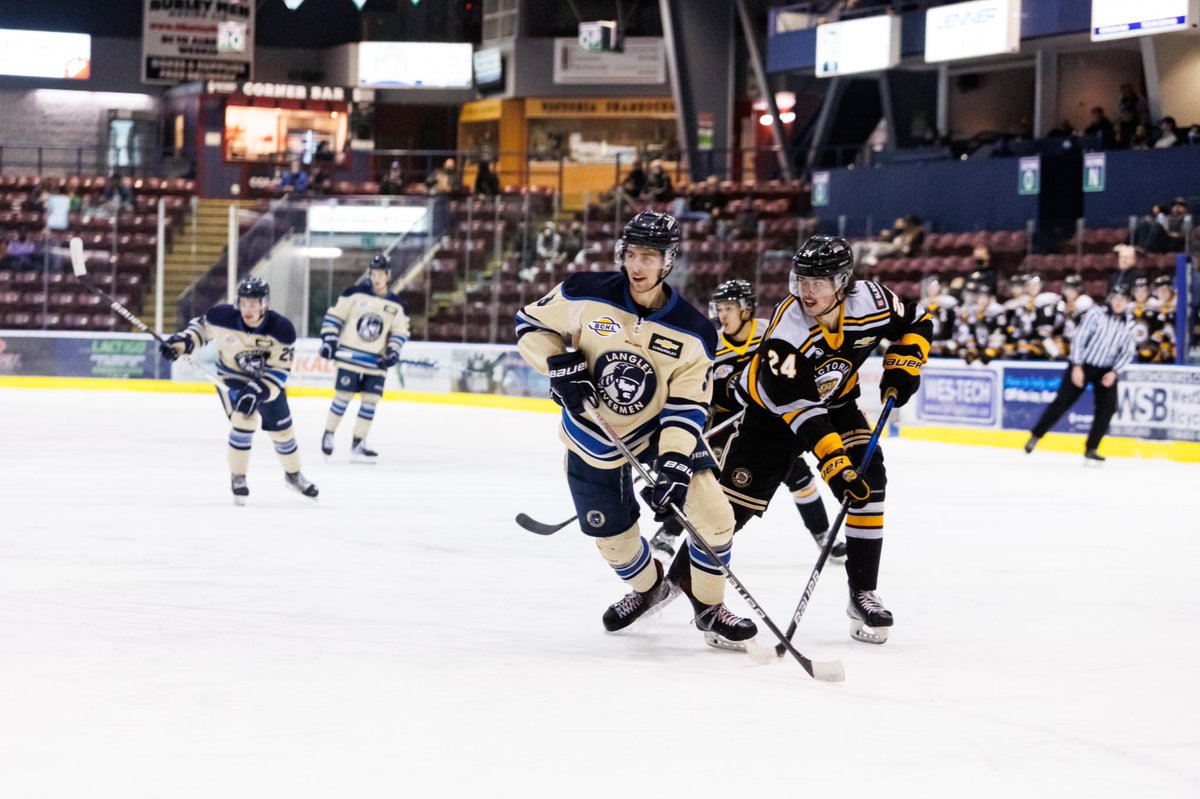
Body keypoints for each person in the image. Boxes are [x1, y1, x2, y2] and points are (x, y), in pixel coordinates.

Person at [513, 210, 757, 647]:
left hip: (656, 432)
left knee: (716, 518)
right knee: (615, 545)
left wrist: (676, 463)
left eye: (651, 256)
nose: (638, 266)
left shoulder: (694, 330)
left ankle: (709, 607)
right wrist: (557, 365)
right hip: (591, 434)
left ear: (669, 261)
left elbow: (685, 407)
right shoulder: (584, 291)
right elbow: (530, 325)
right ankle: (649, 589)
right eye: (632, 254)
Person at [702, 236, 931, 645]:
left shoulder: (874, 301)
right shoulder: (787, 329)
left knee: (869, 479)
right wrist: (834, 463)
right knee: (728, 513)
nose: (807, 291)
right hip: (773, 415)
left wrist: (903, 364)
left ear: (843, 282)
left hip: (838, 404)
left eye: (819, 282)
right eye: (803, 279)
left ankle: (862, 593)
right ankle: (693, 593)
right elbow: (801, 409)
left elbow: (916, 322)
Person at [649, 279, 846, 572]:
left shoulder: (771, 331)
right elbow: (699, 386)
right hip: (726, 423)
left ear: (746, 310)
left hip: (767, 421)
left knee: (800, 477)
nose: (723, 315)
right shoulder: (712, 343)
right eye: (720, 308)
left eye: (729, 308)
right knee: (702, 475)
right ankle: (669, 531)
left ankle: (822, 534)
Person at [159, 277, 319, 504]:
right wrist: (179, 343)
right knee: (244, 420)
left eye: (253, 304)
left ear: (264, 304)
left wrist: (257, 391)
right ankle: (238, 478)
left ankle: (293, 476)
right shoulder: (222, 317)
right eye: (244, 303)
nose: (247, 309)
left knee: (283, 432)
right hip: (231, 378)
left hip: (266, 383)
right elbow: (200, 332)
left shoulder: (281, 330)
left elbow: (279, 372)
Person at [1025, 283, 1135, 461]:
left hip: (1107, 370)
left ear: (1128, 302)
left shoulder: (1129, 323)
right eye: (1116, 299)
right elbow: (1079, 338)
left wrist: (1115, 372)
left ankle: (1091, 447)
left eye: (1123, 300)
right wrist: (1076, 365)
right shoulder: (1096, 314)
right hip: (1083, 364)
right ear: (1110, 299)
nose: (1119, 303)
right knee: (1062, 402)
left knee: (1108, 408)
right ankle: (1036, 435)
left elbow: (1128, 351)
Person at [318, 254, 410, 460]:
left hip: (376, 362)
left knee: (370, 401)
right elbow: (335, 316)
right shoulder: (354, 293)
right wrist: (329, 340)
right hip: (350, 358)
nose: (376, 278)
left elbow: (399, 332)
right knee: (342, 397)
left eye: (381, 274)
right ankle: (329, 434)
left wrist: (393, 351)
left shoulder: (397, 304)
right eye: (373, 273)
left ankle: (359, 441)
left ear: (388, 276)